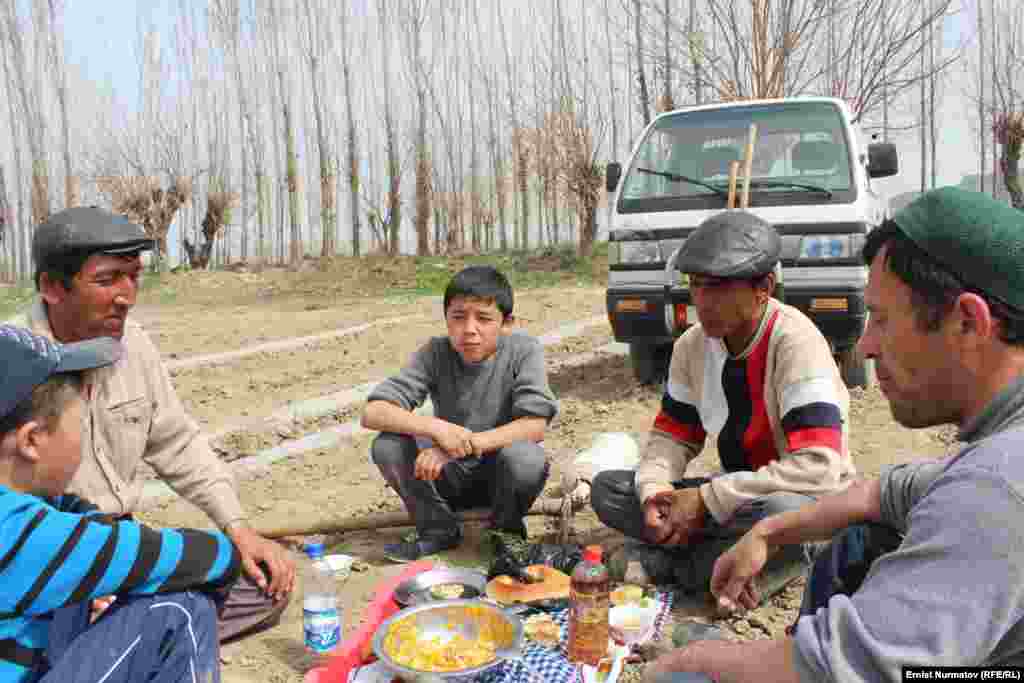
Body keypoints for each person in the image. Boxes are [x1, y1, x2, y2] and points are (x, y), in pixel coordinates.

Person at [646, 187, 1024, 683]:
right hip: (746, 498)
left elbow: (835, 667)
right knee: (857, 533)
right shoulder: (993, 458)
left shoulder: (997, 484)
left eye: (881, 320)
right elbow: (883, 491)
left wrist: (692, 661)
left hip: (775, 492)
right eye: (696, 286)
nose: (865, 347)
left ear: (969, 323)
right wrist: (763, 533)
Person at [6, 206, 294, 643]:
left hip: (119, 547)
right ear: (51, 287)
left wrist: (238, 529)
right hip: (44, 560)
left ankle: (121, 640)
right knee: (127, 616)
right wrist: (71, 580)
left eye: (134, 276)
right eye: (107, 279)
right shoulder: (13, 361)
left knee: (261, 586)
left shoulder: (133, 345)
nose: (127, 296)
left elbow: (177, 443)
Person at [591, 210, 854, 595]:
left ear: (763, 287)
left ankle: (684, 565)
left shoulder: (796, 342)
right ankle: (729, 564)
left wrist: (706, 500)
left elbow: (819, 469)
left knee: (782, 512)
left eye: (718, 288)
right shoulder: (691, 346)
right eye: (696, 286)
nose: (703, 301)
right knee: (609, 490)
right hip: (738, 495)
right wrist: (655, 493)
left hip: (802, 496)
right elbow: (672, 438)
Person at [0, 324, 241, 682]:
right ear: (32, 440)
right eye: (80, 425)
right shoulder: (19, 531)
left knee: (82, 594)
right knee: (179, 609)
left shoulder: (30, 513)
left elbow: (83, 519)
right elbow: (212, 556)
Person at [362, 265, 558, 562]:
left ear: (506, 323)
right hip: (446, 478)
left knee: (526, 458)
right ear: (446, 320)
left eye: (483, 318)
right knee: (387, 445)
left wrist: (461, 446)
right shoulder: (436, 352)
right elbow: (373, 412)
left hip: (500, 477)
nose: (469, 329)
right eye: (458, 317)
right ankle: (436, 528)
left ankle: (505, 533)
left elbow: (534, 426)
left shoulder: (524, 351)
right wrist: (437, 429)